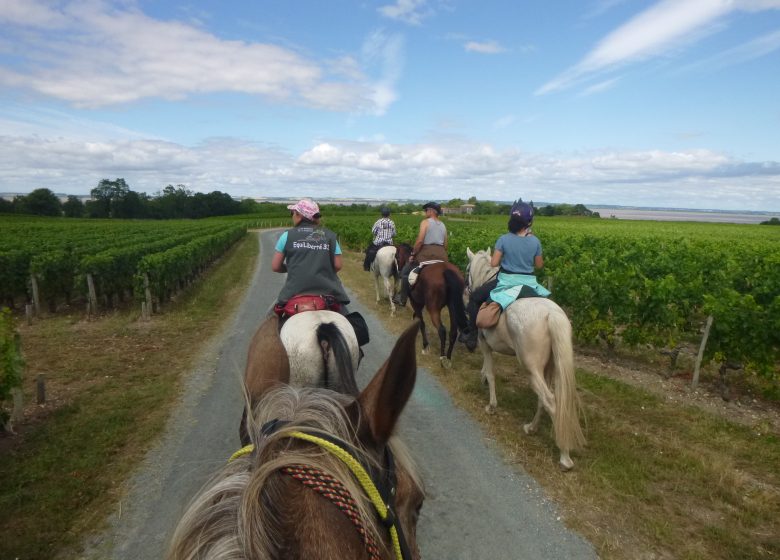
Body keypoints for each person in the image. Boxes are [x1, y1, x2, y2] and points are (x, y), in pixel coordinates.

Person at [458, 200, 550, 350]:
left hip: (506, 281)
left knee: (474, 298)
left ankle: (472, 335)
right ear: (529, 222)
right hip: (529, 283)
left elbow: (494, 263)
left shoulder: (503, 239)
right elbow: (539, 265)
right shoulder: (535, 241)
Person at [272, 198, 350, 311]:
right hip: (327, 291)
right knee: (349, 319)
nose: (292, 216)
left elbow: (275, 266)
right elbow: (338, 265)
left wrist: (292, 268)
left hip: (294, 291)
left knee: (271, 316)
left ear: (298, 215)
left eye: (292, 213)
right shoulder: (330, 235)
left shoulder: (286, 236)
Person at [392, 201, 448, 307]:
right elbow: (445, 245)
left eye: (426, 210)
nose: (425, 212)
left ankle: (402, 299)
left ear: (432, 211)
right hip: (442, 255)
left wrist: (413, 254)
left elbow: (420, 241)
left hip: (427, 254)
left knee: (405, 273)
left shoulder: (425, 222)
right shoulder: (443, 225)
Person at [363, 205, 397, 271]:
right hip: (389, 243)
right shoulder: (392, 222)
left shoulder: (378, 222)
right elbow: (394, 233)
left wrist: (378, 234)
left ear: (382, 214)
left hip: (378, 243)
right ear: (389, 214)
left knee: (368, 251)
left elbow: (373, 231)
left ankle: (367, 266)